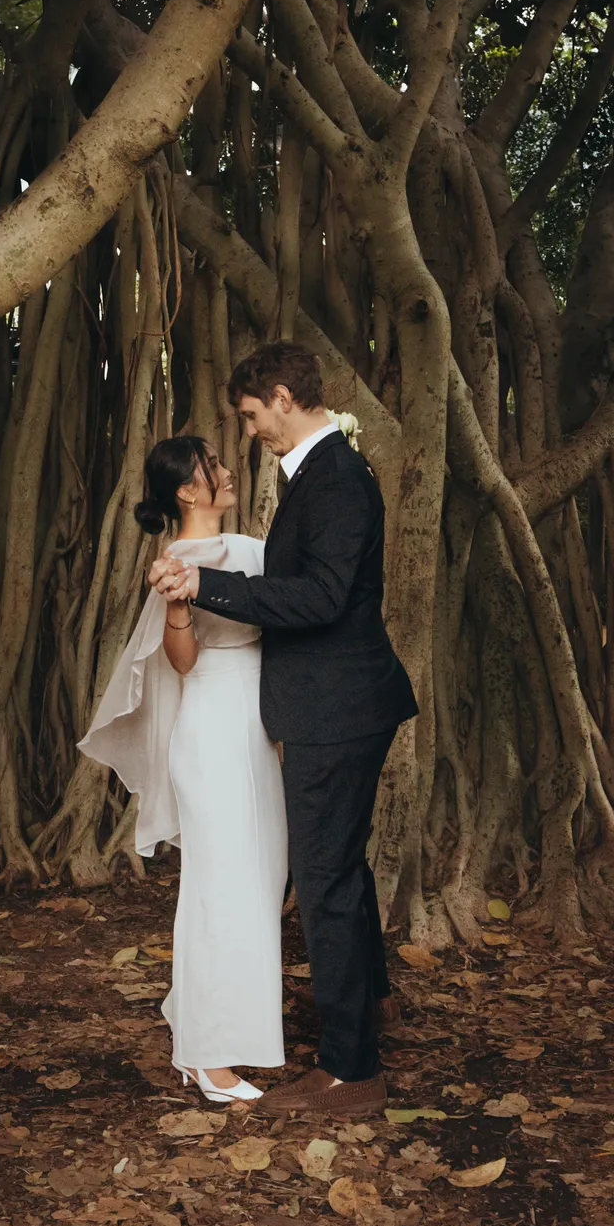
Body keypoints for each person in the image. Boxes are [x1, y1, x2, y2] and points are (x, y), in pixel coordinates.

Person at [149, 340, 417, 1121]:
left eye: (252, 413)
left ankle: (350, 1070)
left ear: (281, 397)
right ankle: (372, 1004)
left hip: (336, 709)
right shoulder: (324, 473)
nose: (251, 430)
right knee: (343, 870)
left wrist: (205, 583)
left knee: (326, 880)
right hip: (340, 703)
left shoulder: (333, 478)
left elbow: (324, 597)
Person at [77, 434, 285, 1103]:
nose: (227, 472)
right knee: (219, 887)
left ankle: (218, 1028)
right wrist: (175, 612)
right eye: (213, 468)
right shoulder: (175, 564)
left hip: (256, 730)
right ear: (189, 492)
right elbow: (185, 663)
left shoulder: (255, 550)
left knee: (258, 882)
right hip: (210, 726)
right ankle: (204, 1053)